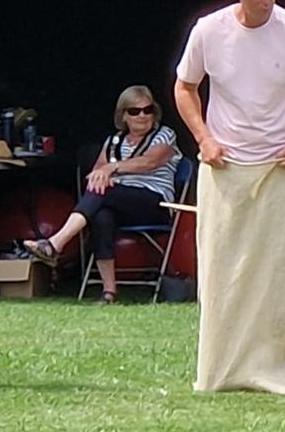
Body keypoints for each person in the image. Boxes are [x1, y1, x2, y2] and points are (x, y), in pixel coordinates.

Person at [174, 0, 285, 394]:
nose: (266, 0)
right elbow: (185, 87)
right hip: (224, 168)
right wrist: (204, 138)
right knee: (223, 268)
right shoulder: (209, 31)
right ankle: (219, 370)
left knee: (277, 272)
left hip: (278, 168)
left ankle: (275, 369)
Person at [22, 85, 178, 302]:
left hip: (153, 203)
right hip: (118, 201)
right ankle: (109, 292)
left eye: (148, 110)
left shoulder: (165, 135)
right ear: (123, 115)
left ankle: (55, 243)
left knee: (104, 192)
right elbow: (96, 174)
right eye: (135, 111)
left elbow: (149, 162)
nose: (142, 115)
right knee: (101, 213)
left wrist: (111, 169)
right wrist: (102, 173)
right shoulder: (114, 141)